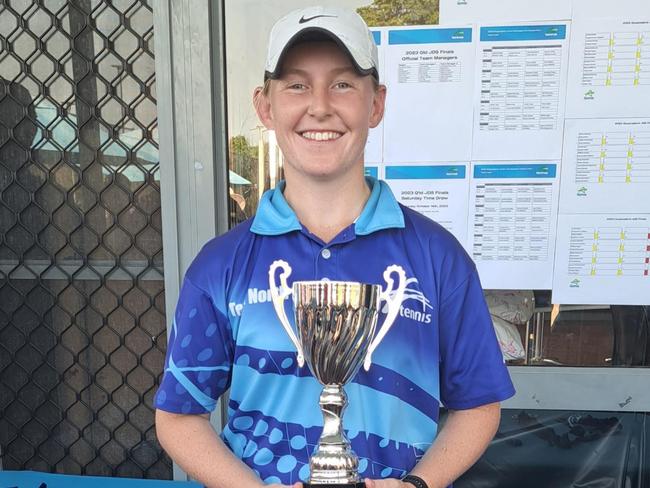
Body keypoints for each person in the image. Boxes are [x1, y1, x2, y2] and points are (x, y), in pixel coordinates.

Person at [154, 6, 515, 488]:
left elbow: (477, 405)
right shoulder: (220, 265)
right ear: (265, 106)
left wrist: (417, 485)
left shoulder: (438, 257)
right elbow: (178, 416)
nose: (319, 106)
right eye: (297, 85)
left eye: (343, 84)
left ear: (376, 103)